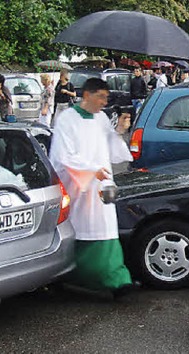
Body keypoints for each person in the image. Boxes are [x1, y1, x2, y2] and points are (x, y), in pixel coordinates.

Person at [49, 78, 135, 300]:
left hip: (101, 187)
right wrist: (90, 170)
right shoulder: (67, 119)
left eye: (106, 98)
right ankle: (73, 277)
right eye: (101, 96)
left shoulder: (101, 118)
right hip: (79, 186)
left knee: (106, 227)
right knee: (81, 229)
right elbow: (62, 156)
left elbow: (109, 147)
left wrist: (119, 130)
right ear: (86, 95)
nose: (104, 102)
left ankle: (117, 279)